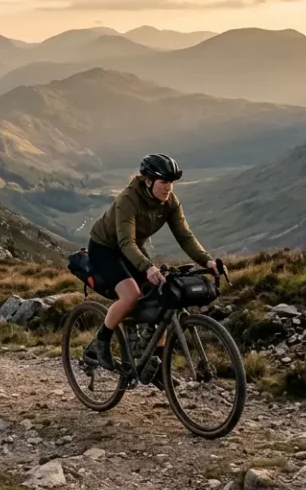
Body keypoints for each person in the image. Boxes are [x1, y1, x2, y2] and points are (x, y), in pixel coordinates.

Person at [82, 153, 222, 372]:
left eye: (172, 183)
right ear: (148, 181)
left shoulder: (170, 202)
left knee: (162, 292)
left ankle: (151, 360)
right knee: (131, 295)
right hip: (105, 248)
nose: (169, 188)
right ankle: (100, 343)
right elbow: (125, 241)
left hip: (132, 248)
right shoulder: (128, 200)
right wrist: (147, 267)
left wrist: (207, 260)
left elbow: (184, 236)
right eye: (164, 182)